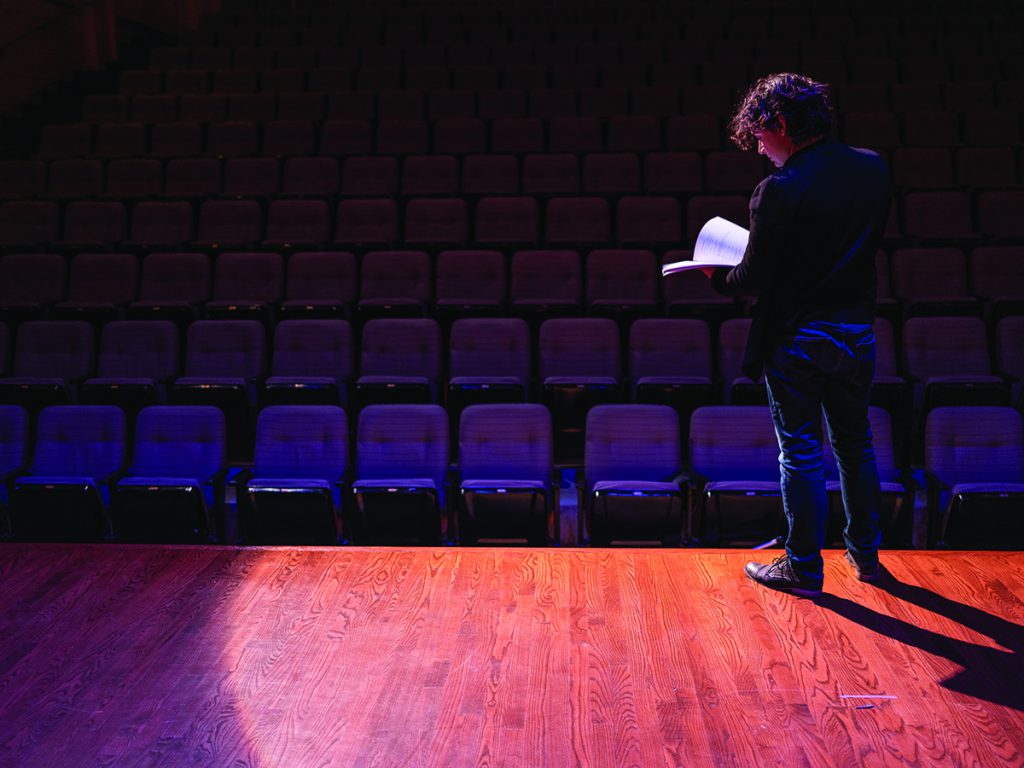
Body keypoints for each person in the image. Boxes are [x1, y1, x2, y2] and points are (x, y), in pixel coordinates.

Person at [704, 73, 892, 597]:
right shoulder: (873, 169)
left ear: (780, 124)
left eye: (761, 137)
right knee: (856, 445)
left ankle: (804, 566)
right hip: (857, 329)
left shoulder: (778, 190)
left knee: (802, 452)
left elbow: (752, 279)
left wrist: (714, 275)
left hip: (799, 337)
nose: (761, 150)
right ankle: (867, 557)